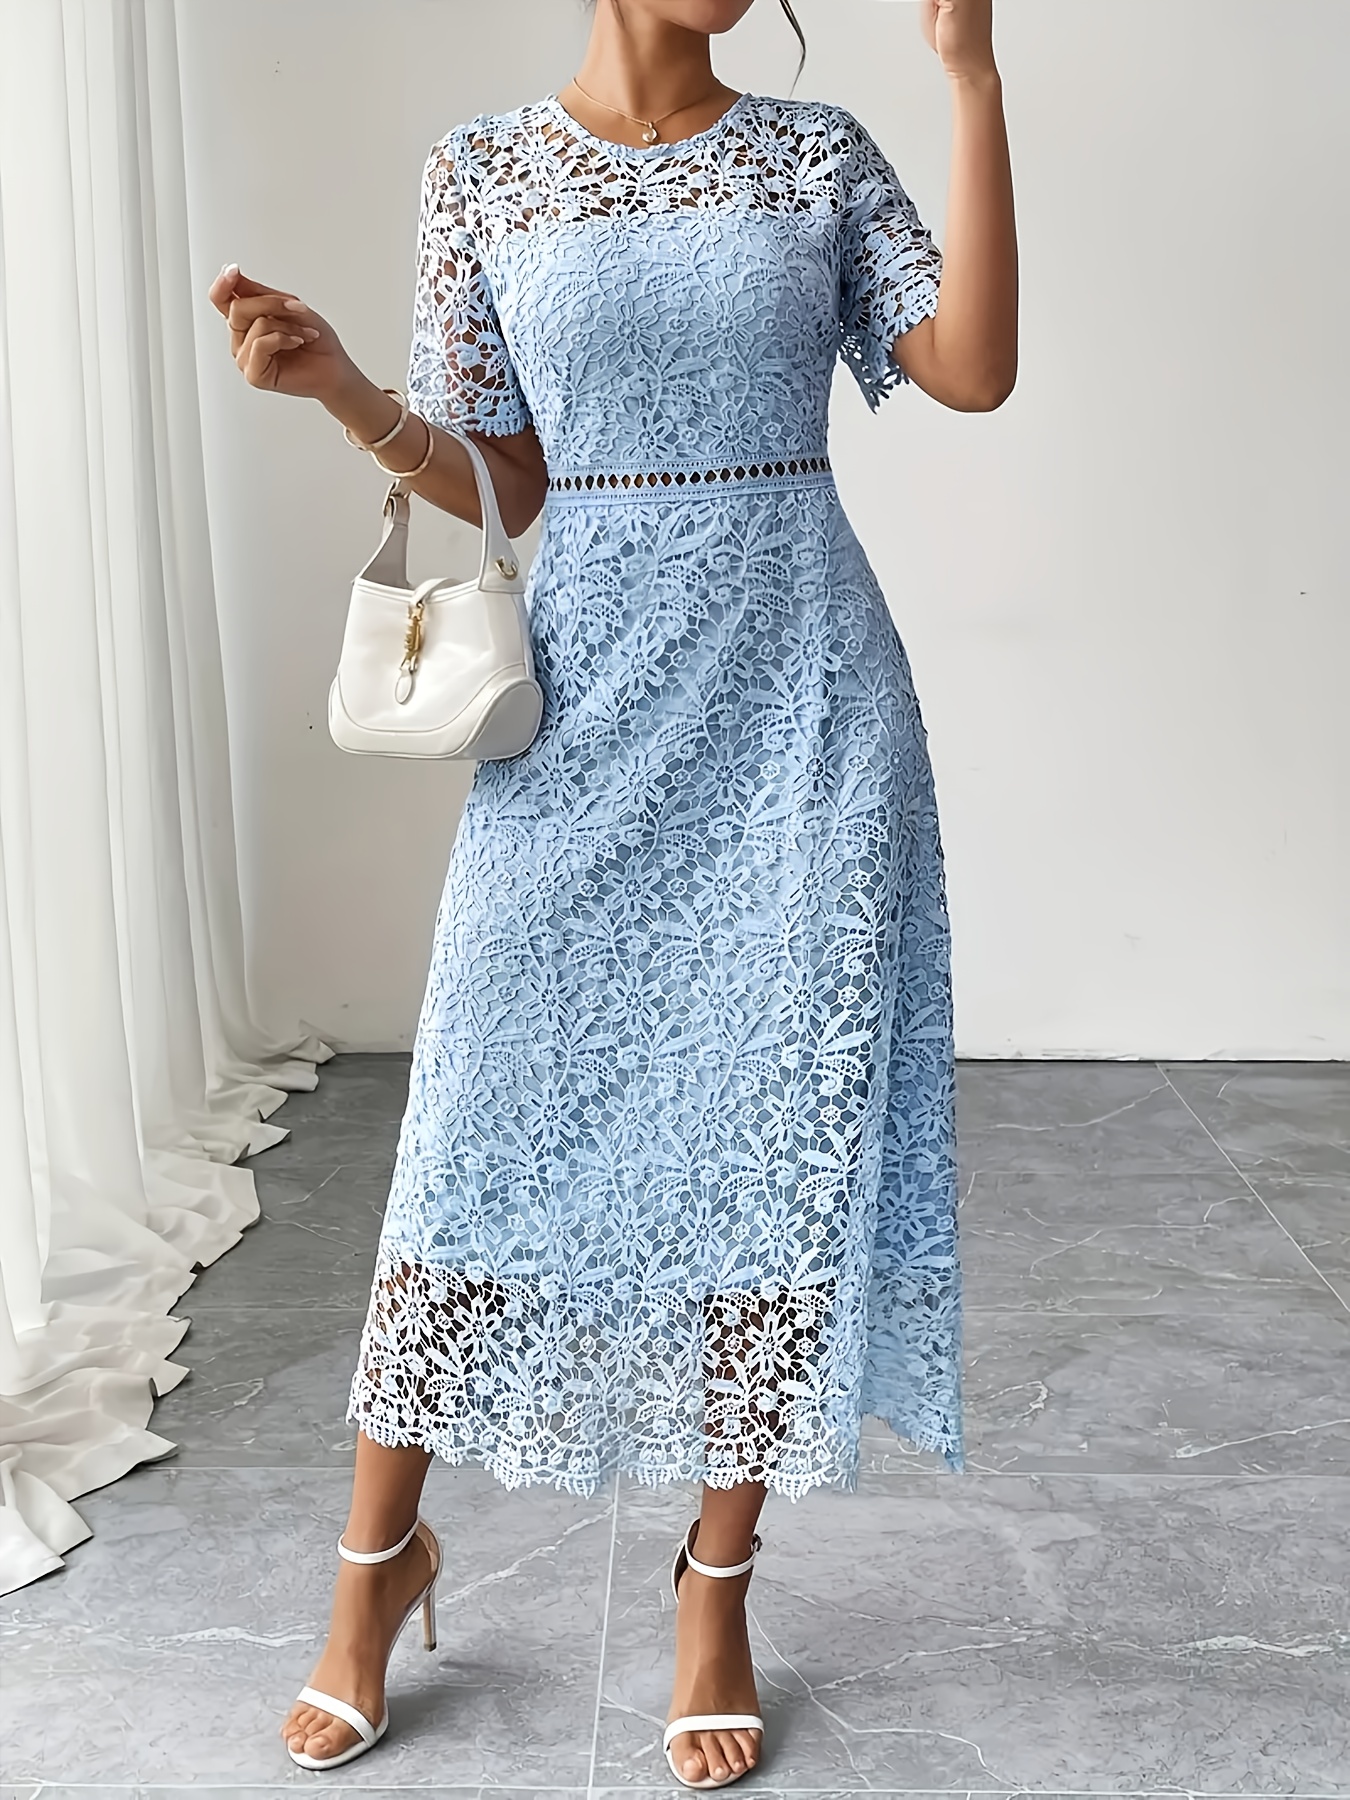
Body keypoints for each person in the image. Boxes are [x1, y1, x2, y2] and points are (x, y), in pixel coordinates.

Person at [210, 0, 1015, 1785]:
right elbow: (509, 478)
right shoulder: (483, 171)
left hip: (806, 701)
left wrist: (968, 80)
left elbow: (968, 372)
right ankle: (372, 1567)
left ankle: (714, 1585)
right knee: (475, 1130)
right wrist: (343, 392)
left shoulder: (816, 156)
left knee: (773, 1146)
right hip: (584, 698)